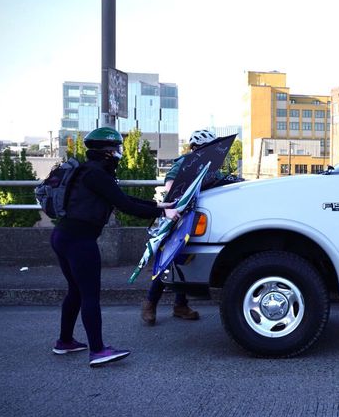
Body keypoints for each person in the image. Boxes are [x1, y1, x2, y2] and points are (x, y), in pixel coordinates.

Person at [51, 127, 179, 367]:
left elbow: (123, 199)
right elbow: (125, 205)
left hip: (64, 235)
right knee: (89, 295)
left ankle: (65, 341)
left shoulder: (89, 171)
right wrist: (165, 212)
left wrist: (162, 206)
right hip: (80, 241)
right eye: (117, 148)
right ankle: (98, 351)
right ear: (108, 152)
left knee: (75, 291)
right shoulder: (97, 175)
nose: (119, 153)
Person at [140, 129, 217, 325]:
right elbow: (170, 185)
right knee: (168, 259)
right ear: (196, 148)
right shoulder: (185, 162)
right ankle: (150, 303)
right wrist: (182, 196)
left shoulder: (212, 166)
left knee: (184, 259)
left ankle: (180, 305)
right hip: (176, 216)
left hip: (198, 218)